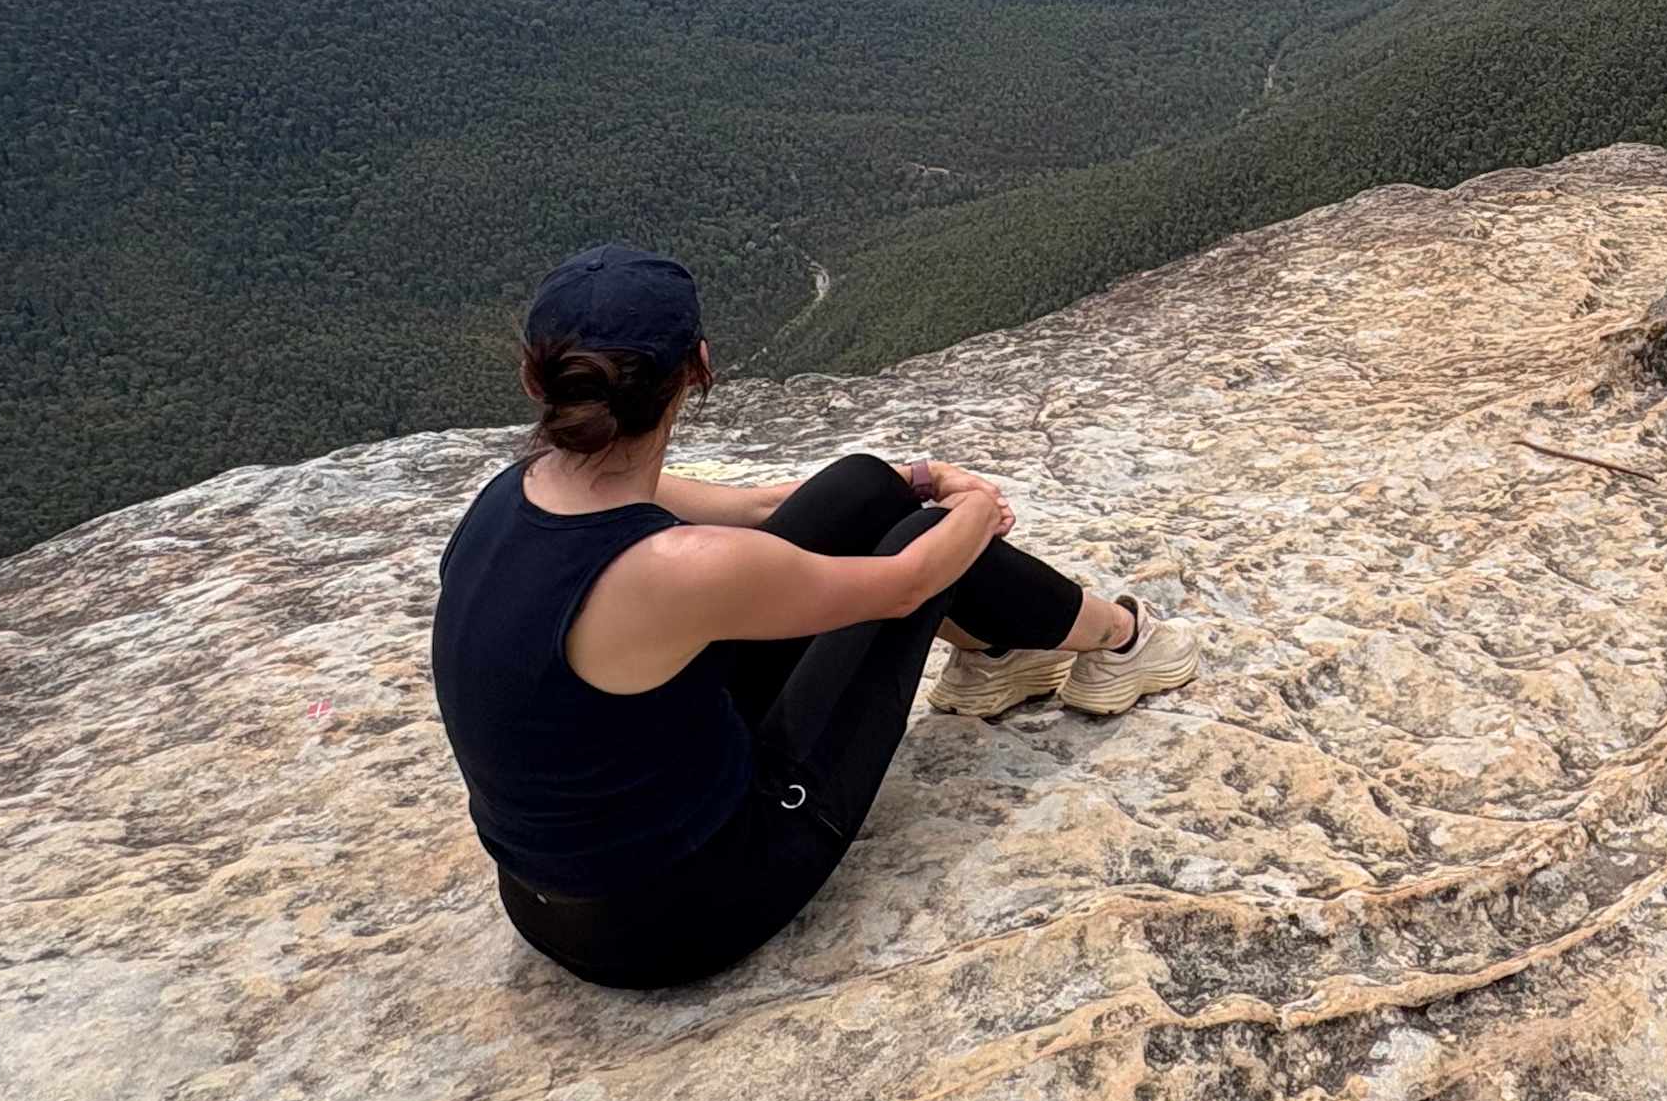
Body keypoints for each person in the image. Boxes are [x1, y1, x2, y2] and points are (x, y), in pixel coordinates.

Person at [429, 241, 1196, 988]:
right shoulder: (675, 570)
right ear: (698, 367)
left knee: (865, 488)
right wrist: (971, 507)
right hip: (682, 914)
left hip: (545, 897)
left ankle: (997, 659)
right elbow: (905, 585)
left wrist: (916, 478)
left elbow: (763, 510)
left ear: (541, 381)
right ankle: (1121, 640)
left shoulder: (518, 489)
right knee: (927, 539)